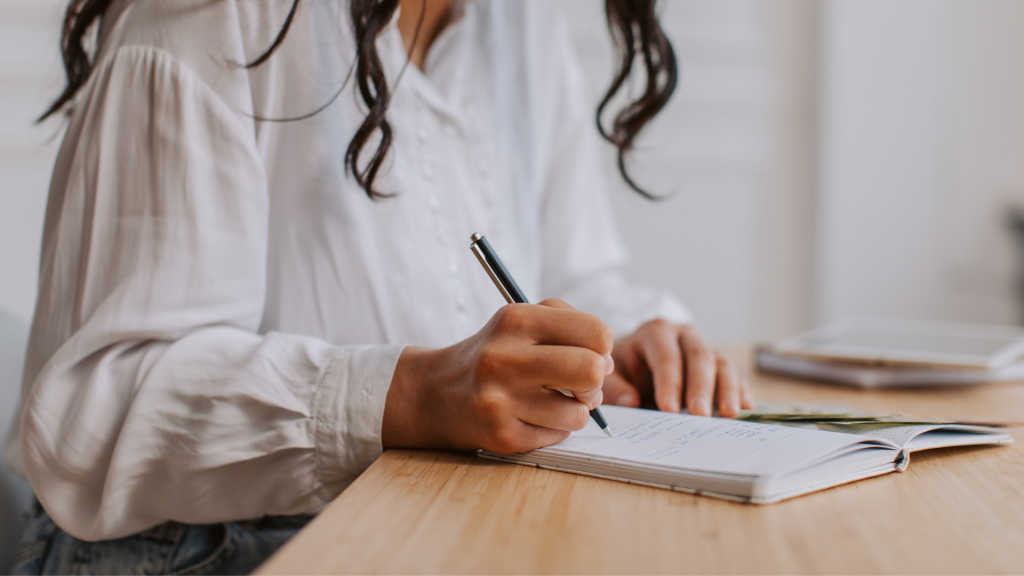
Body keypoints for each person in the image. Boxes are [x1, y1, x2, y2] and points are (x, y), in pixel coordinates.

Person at [6, 0, 755, 573]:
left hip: (431, 530)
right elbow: (91, 415)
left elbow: (575, 274)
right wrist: (411, 394)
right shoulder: (215, 18)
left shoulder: (517, 22)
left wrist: (619, 341)